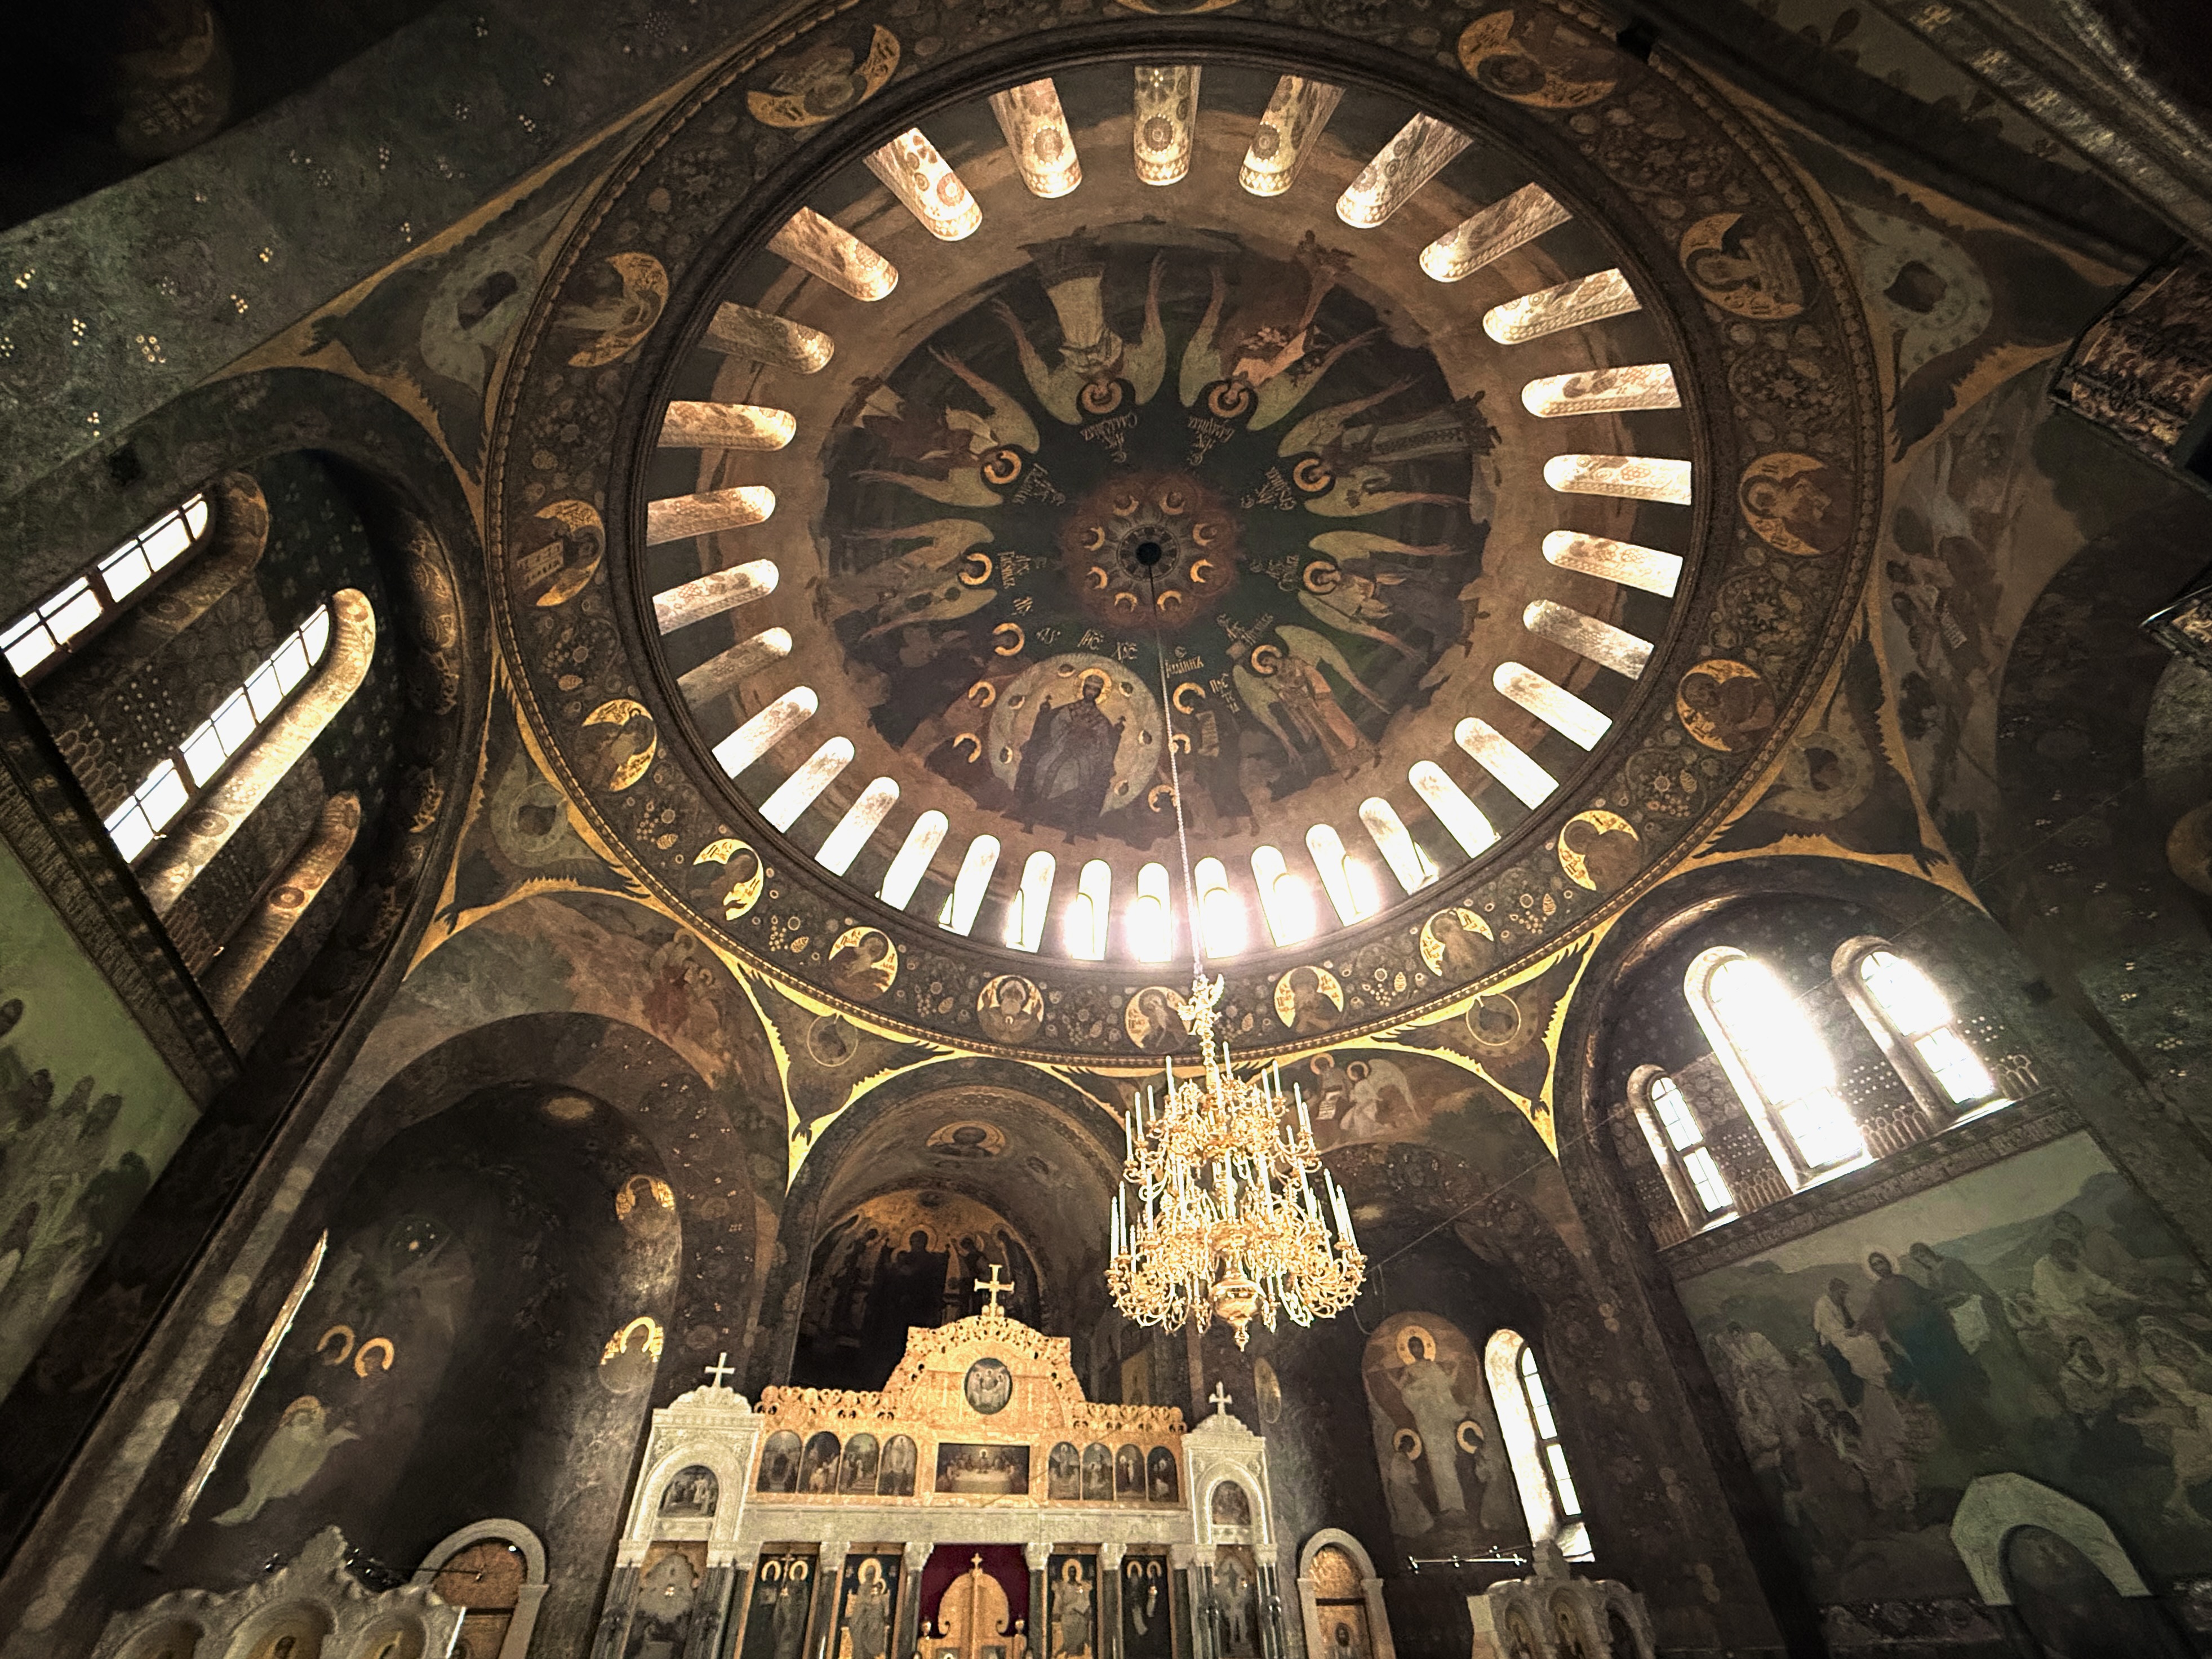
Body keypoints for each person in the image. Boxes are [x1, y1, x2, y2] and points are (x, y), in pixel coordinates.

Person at [1862, 1250, 1998, 1448]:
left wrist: (1947, 1295)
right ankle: (1966, 1440)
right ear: (1873, 1270)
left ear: (1889, 1263)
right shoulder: (1878, 1292)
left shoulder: (1904, 1281)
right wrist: (1857, 1328)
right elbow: (1871, 1315)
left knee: (1957, 1384)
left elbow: (1926, 1296)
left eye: (1881, 1262)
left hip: (1934, 1337)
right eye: (1875, 1266)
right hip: (1917, 1346)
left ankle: (1989, 1431)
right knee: (1942, 1390)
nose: (1880, 1267)